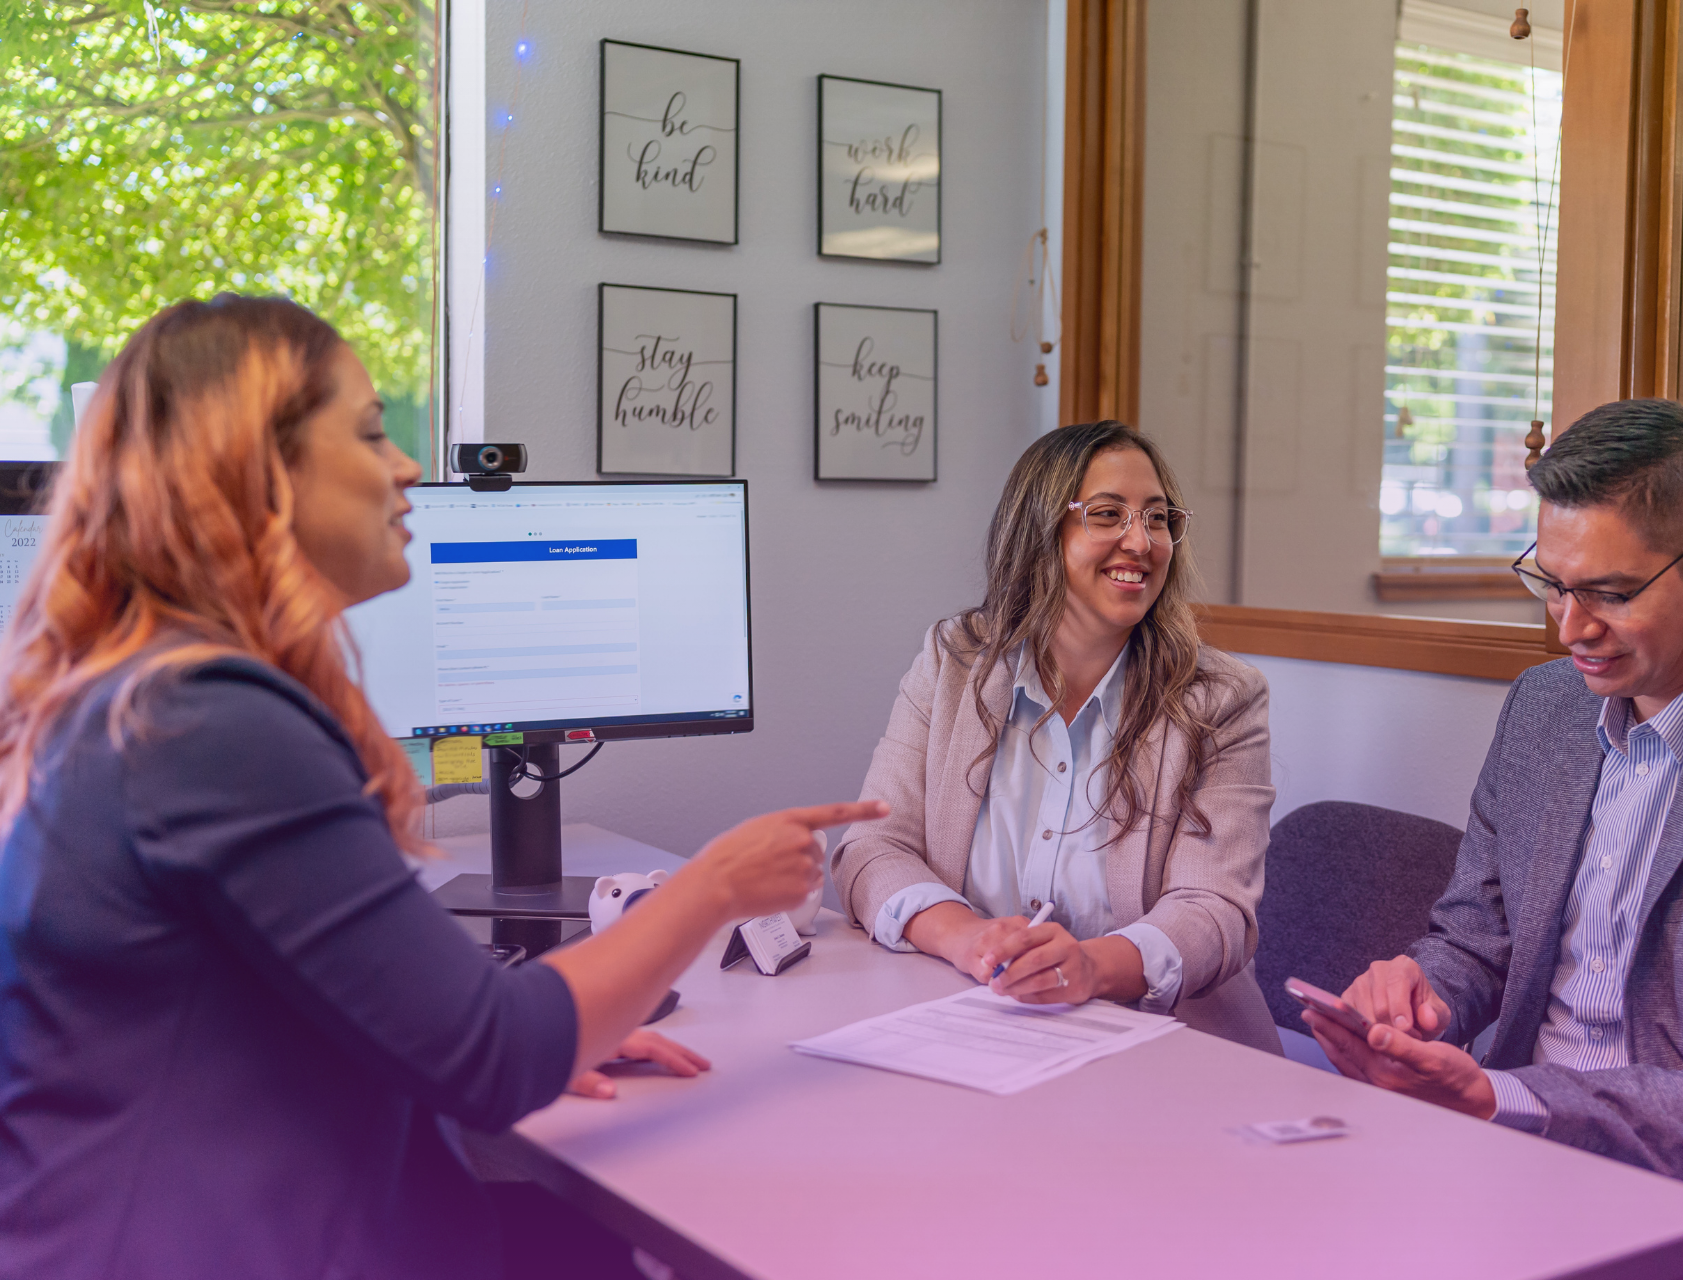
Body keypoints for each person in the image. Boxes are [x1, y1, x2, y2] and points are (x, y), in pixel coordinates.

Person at [0, 295, 885, 1279]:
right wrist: (710, 887)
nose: (410, 465)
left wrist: (505, 1032)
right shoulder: (214, 722)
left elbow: (273, 1016)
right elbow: (495, 1052)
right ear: (260, 474)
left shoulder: (144, 694)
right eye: (372, 430)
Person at [1304, 398, 1683, 1279]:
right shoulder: (1546, 709)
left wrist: (1502, 1095)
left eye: (1612, 594)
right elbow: (1476, 938)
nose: (1569, 628)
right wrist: (1421, 1001)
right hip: (1525, 1155)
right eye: (1552, 582)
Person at [831, 420, 1280, 1051]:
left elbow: (1214, 911)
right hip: (977, 1029)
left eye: (1156, 519)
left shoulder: (1221, 699)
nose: (1141, 541)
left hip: (1166, 1049)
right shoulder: (954, 661)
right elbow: (872, 848)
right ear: (1040, 531)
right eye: (1107, 514)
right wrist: (969, 939)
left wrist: (1092, 969)